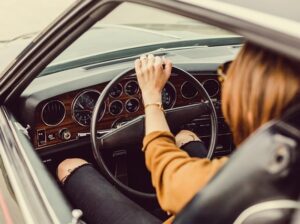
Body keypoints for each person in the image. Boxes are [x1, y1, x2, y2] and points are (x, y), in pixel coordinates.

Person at [57, 42, 300, 224]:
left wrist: (152, 99)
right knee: (183, 135)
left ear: (254, 107)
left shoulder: (257, 177)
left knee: (69, 165)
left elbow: (168, 173)